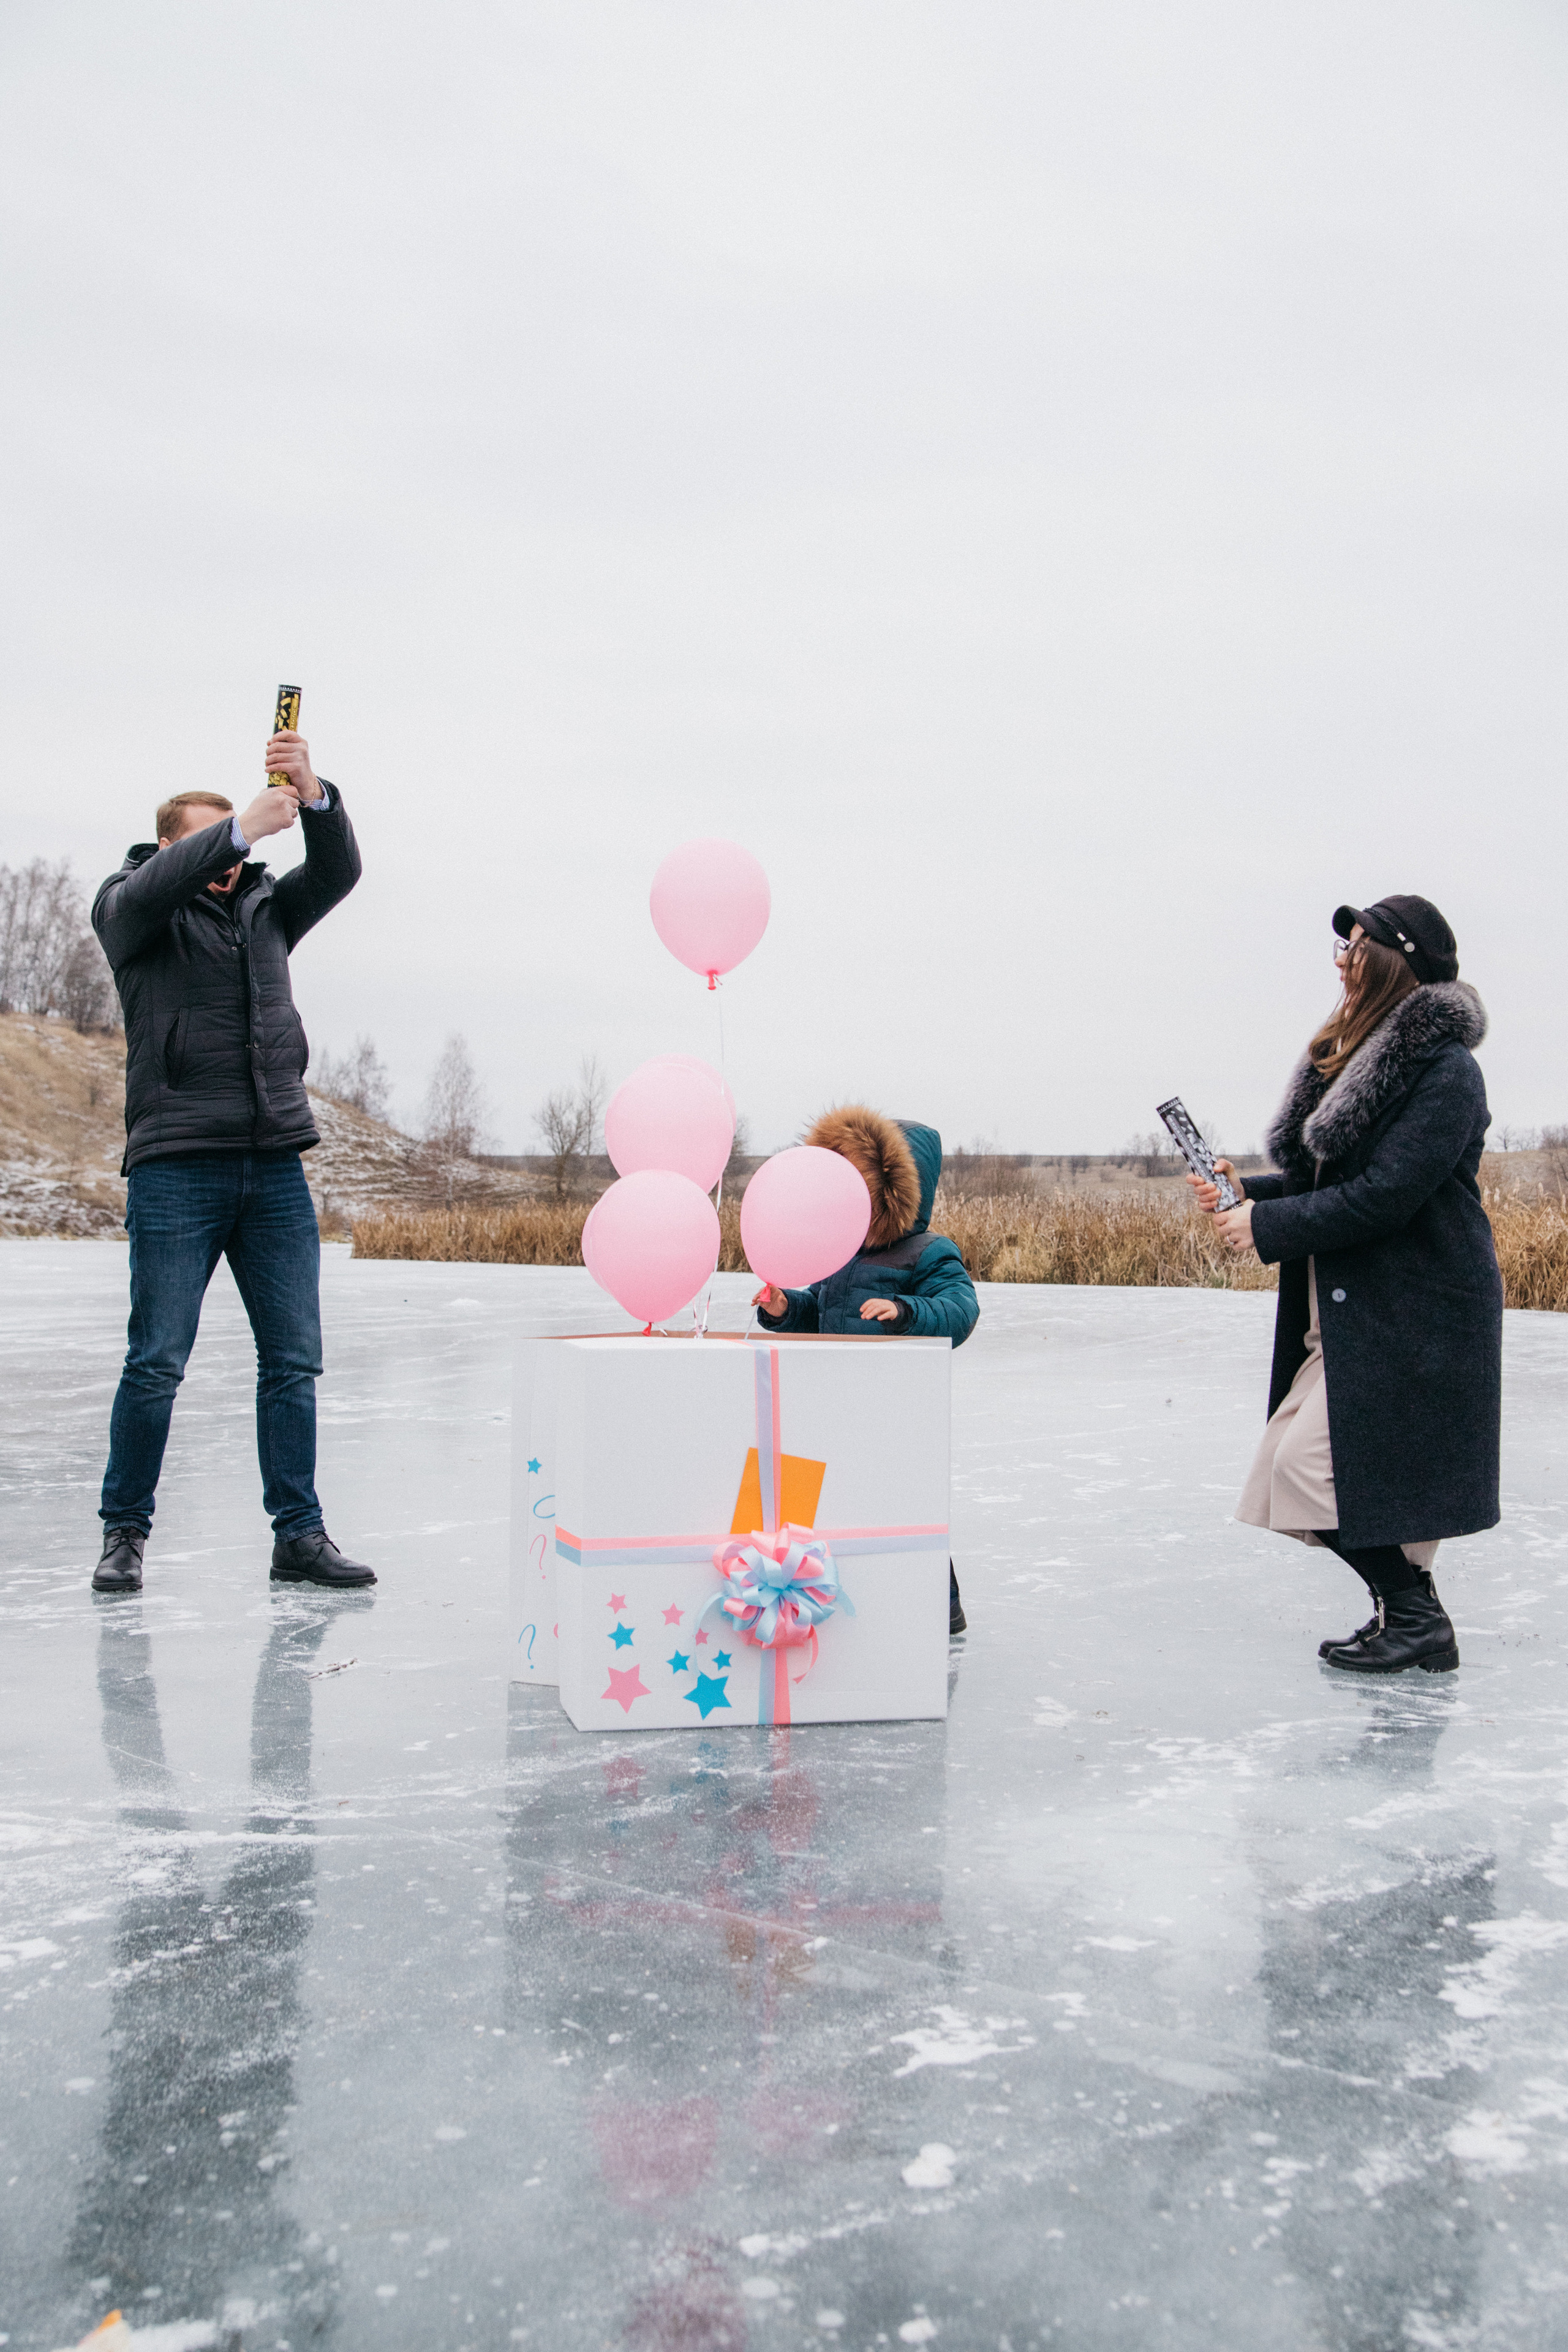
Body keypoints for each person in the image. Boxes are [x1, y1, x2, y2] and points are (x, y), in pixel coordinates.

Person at [88, 726, 376, 1596]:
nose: (233, 849)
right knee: (157, 1361)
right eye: (213, 836)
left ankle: (299, 1533)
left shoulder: (265, 909)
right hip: (178, 1166)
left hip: (274, 1166)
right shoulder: (131, 909)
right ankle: (124, 1533)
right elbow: (148, 890)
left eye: (239, 834)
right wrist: (244, 826)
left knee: (292, 1361)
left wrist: (314, 796)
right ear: (170, 845)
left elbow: (337, 873)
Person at [1190, 895, 1502, 1673]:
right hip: (1357, 1307)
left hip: (1420, 1308)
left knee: (1312, 1467)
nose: (1340, 955)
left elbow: (1389, 1194)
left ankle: (1415, 1617)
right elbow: (1323, 1175)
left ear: (1394, 958)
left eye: (1355, 942)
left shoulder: (1445, 1071)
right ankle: (1406, 1620)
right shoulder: (1359, 1056)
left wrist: (1264, 1231)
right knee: (1316, 1470)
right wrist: (1249, 1191)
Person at [751, 1106, 979, 1635]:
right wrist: (786, 1310)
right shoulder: (840, 1250)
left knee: (902, 1500)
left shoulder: (927, 1253)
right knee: (842, 1503)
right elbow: (820, 1310)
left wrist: (905, 1312)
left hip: (892, 1408)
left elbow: (960, 1311)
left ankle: (942, 1609)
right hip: (834, 1400)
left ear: (895, 1187)